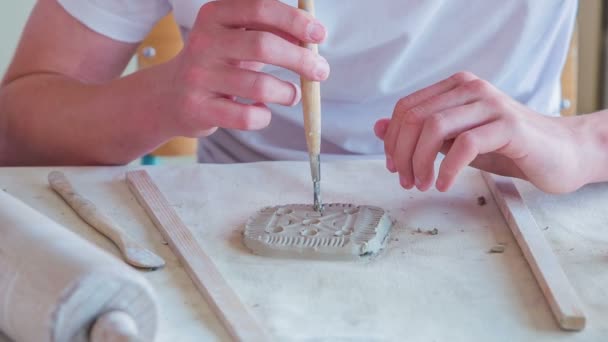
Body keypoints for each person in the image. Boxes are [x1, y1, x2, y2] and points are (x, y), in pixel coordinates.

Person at [0, 0, 606, 194]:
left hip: (506, 209)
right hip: (232, 242)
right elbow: (15, 128)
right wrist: (160, 98)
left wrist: (583, 141)